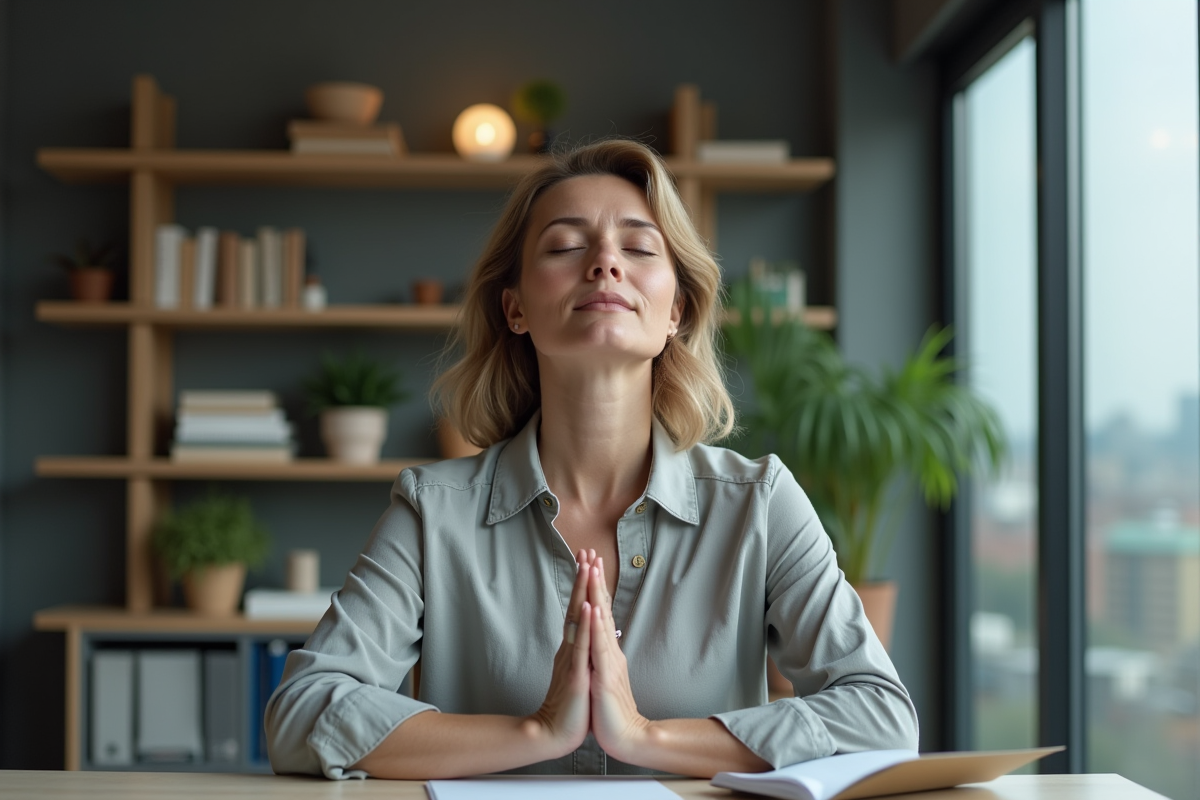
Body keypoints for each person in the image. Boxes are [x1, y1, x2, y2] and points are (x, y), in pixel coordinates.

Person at [265, 139, 919, 780]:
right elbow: (299, 714)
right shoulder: (432, 511)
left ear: (677, 311)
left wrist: (646, 737)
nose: (606, 263)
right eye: (565, 245)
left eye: (638, 247)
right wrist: (537, 730)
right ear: (515, 307)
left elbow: (882, 715)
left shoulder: (761, 503)